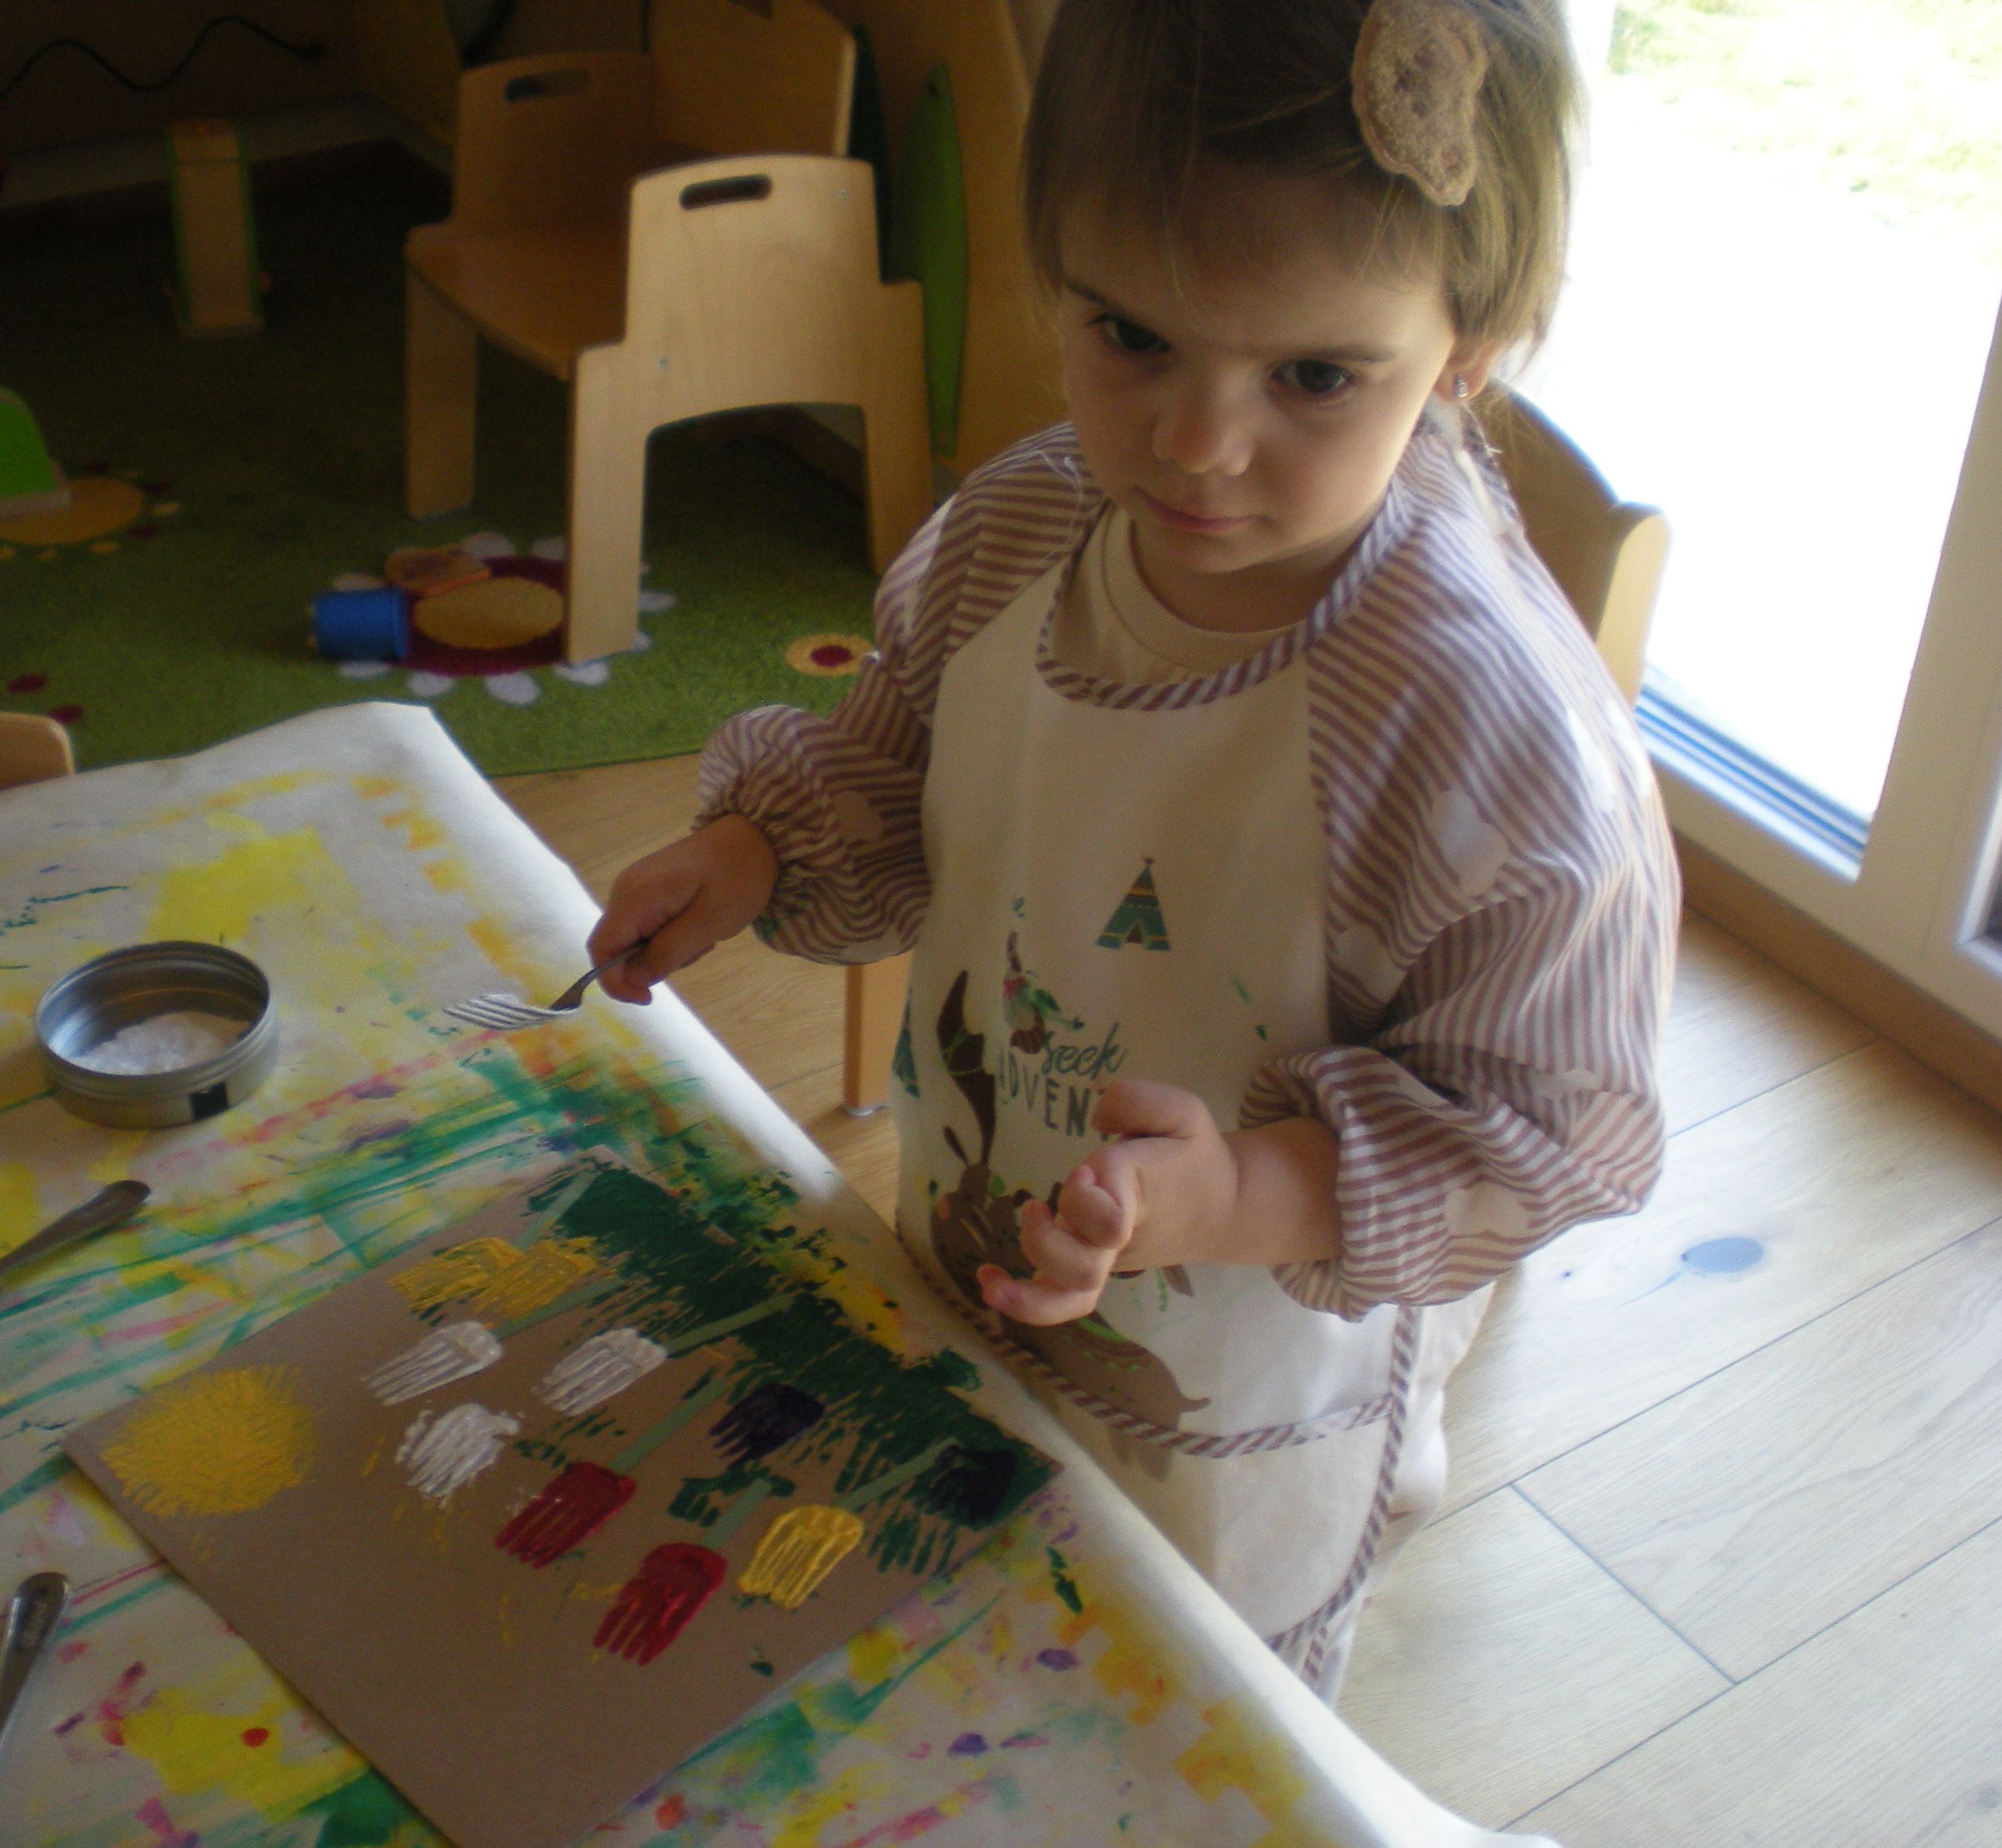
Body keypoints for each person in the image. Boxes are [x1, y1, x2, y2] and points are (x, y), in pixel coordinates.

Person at [587, 0, 1678, 1700]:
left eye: (1314, 377)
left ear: (1465, 351)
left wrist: (1235, 1191)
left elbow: (1543, 1126)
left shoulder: (1483, 725)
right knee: (944, 1652)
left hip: (1234, 1400)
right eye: (1131, 336)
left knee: (1160, 1720)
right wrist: (748, 856)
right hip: (971, 1241)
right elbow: (892, 770)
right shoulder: (1023, 527)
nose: (1195, 444)